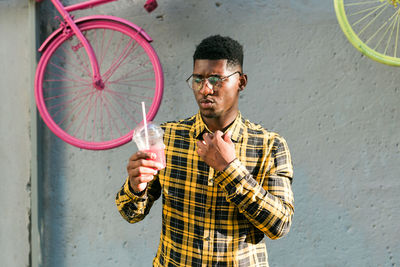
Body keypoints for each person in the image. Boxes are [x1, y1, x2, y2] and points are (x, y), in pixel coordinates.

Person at [116, 35, 294, 267]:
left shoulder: (269, 146)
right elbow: (131, 214)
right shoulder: (167, 137)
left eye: (216, 79)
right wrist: (135, 186)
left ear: (241, 82)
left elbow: (279, 226)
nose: (205, 89)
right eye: (198, 79)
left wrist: (230, 170)